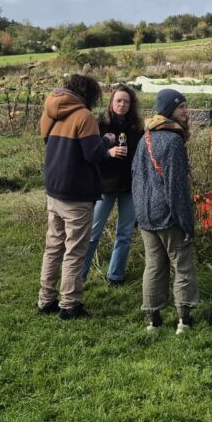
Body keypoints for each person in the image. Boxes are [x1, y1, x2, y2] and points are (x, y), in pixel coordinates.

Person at [37, 74, 119, 320]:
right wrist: (106, 141)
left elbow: (48, 142)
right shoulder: (85, 116)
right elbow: (92, 154)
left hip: (54, 188)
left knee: (53, 247)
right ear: (90, 94)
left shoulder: (50, 111)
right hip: (77, 192)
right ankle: (70, 305)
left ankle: (46, 300)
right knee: (74, 250)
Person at [131, 88, 198, 334]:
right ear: (169, 110)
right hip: (168, 214)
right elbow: (176, 187)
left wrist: (140, 212)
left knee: (153, 266)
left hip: (145, 213)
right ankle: (184, 320)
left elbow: (135, 176)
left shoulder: (145, 137)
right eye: (181, 107)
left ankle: (153, 321)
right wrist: (186, 223)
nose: (186, 111)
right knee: (182, 265)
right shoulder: (173, 141)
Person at [82, 84, 144, 286]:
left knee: (125, 234)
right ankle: (79, 276)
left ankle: (116, 276)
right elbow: (90, 154)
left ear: (131, 104)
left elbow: (142, 155)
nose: (122, 104)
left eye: (126, 101)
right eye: (119, 100)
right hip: (105, 185)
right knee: (93, 232)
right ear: (111, 102)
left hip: (129, 185)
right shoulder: (99, 125)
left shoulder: (137, 128)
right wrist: (108, 153)